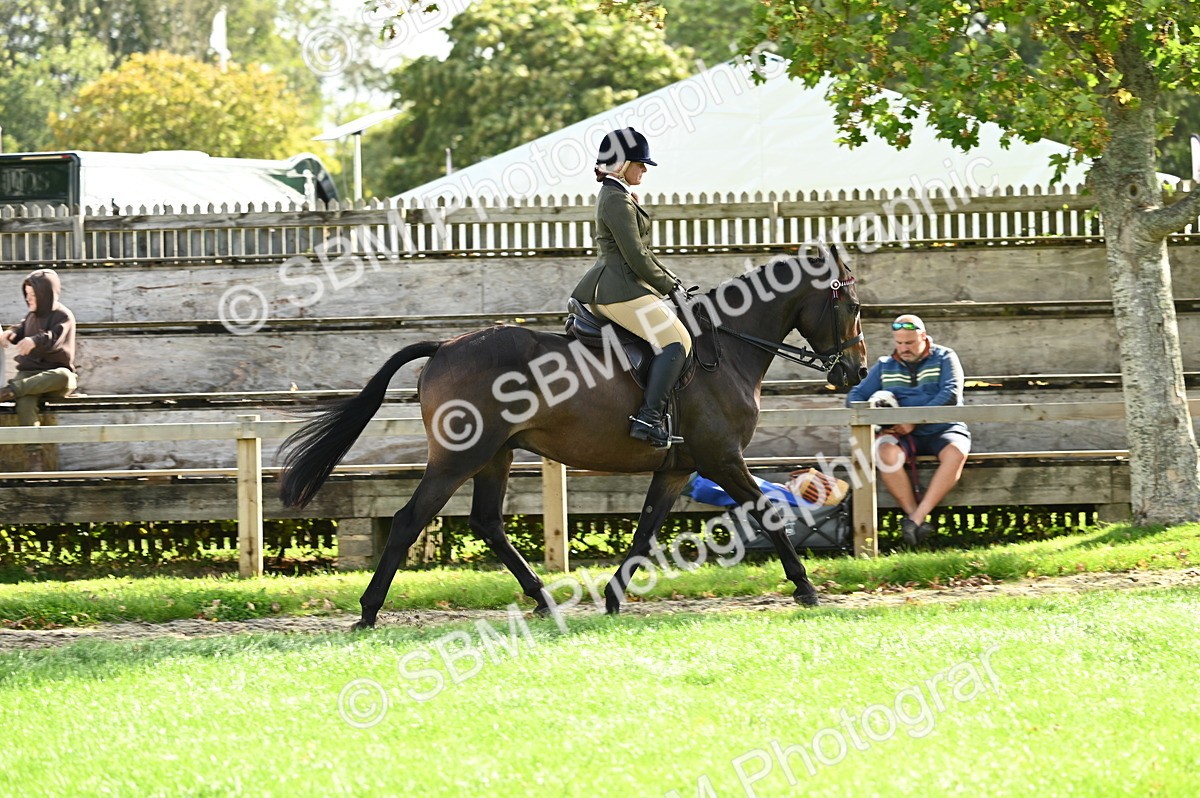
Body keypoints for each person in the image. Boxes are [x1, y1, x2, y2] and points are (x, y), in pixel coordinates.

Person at [570, 127, 692, 448]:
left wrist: (673, 282)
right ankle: (647, 419)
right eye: (640, 164)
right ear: (622, 164)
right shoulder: (615, 200)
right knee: (677, 341)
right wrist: (669, 287)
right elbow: (636, 255)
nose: (644, 170)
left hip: (621, 285)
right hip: (618, 290)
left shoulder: (619, 196)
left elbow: (644, 253)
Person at [847, 314, 970, 546]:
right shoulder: (885, 365)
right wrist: (882, 421)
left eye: (910, 343)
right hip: (900, 434)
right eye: (899, 343)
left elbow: (951, 394)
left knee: (956, 453)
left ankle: (916, 518)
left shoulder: (945, 357)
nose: (904, 348)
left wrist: (915, 421)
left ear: (923, 336)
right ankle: (916, 522)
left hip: (942, 428)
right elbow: (855, 397)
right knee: (884, 452)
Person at [0, 268, 78, 428]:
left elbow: (54, 339)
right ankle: (32, 444)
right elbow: (21, 329)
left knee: (65, 376)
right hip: (29, 376)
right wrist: (12, 332)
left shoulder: (63, 316)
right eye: (27, 294)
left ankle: (11, 390)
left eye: (33, 295)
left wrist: (35, 340)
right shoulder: (31, 315)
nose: (28, 299)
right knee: (25, 404)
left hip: (52, 379)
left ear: (46, 295)